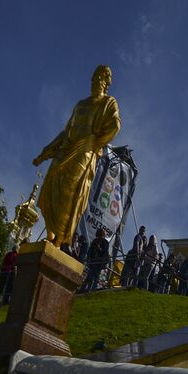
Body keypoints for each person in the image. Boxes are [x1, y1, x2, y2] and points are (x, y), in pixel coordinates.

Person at [32, 65, 122, 249]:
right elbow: (67, 131)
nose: (94, 82)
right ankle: (50, 234)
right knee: (51, 186)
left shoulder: (108, 103)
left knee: (69, 193)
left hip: (84, 152)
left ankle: (58, 240)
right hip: (66, 149)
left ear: (106, 83)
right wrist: (46, 152)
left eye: (99, 79)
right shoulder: (81, 104)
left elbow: (115, 126)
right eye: (93, 78)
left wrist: (95, 143)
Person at [82, 228, 110, 293]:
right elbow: (90, 250)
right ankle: (85, 289)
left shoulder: (105, 242)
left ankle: (92, 290)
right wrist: (88, 258)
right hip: (93, 261)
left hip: (99, 262)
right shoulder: (95, 240)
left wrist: (99, 248)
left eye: (100, 232)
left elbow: (105, 252)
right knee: (90, 275)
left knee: (95, 276)